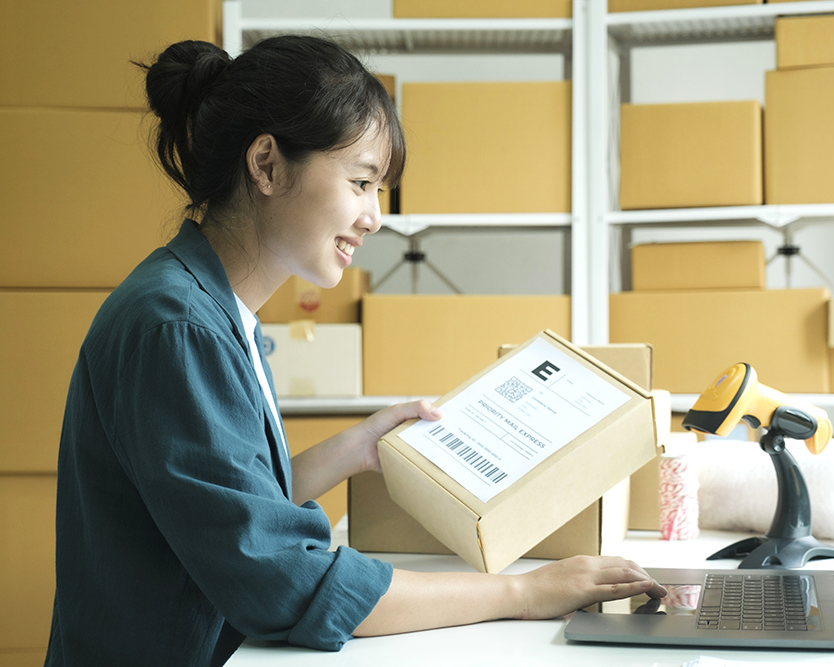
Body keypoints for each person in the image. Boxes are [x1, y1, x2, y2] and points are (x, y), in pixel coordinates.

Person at [44, 35, 666, 667]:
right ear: (266, 164)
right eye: (362, 182)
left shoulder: (216, 311)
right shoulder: (178, 326)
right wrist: (522, 592)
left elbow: (234, 505)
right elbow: (284, 583)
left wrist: (358, 446)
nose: (374, 218)